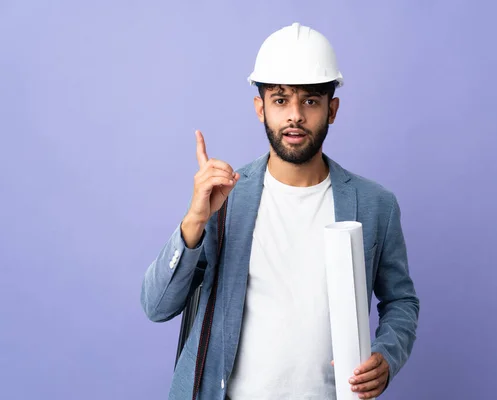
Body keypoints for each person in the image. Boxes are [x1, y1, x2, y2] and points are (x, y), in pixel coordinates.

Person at [141, 22, 419, 400]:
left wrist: (387, 356)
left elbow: (401, 301)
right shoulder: (226, 199)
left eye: (309, 101)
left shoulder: (376, 205)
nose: (295, 116)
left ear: (331, 109)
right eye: (280, 99)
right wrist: (196, 218)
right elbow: (157, 306)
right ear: (260, 108)